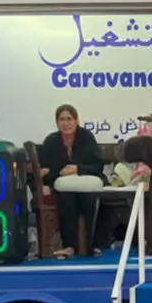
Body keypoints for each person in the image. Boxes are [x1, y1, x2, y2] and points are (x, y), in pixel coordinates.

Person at [40, 104, 106, 258]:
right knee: (66, 198)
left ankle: (93, 246)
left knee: (90, 198)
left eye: (69, 119)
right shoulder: (51, 141)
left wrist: (78, 169)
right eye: (62, 119)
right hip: (64, 186)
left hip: (87, 182)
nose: (66, 123)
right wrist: (59, 173)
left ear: (76, 120)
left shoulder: (86, 137)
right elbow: (46, 170)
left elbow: (98, 166)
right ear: (57, 122)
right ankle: (69, 246)